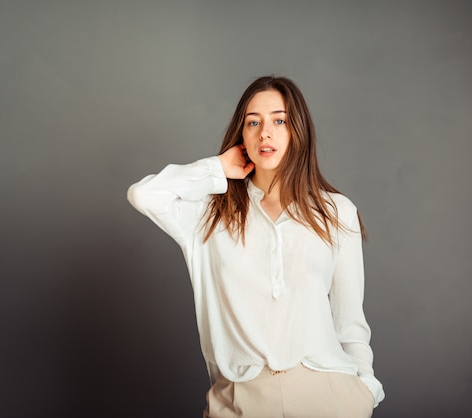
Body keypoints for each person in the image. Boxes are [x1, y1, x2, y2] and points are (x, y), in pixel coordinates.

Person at [127, 75, 384, 417]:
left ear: (298, 131)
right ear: (241, 135)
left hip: (328, 396)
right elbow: (144, 195)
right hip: (241, 399)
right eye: (253, 122)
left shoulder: (337, 213)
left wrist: (365, 390)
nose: (266, 133)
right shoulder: (209, 213)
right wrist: (217, 166)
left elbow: (351, 325)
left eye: (279, 120)